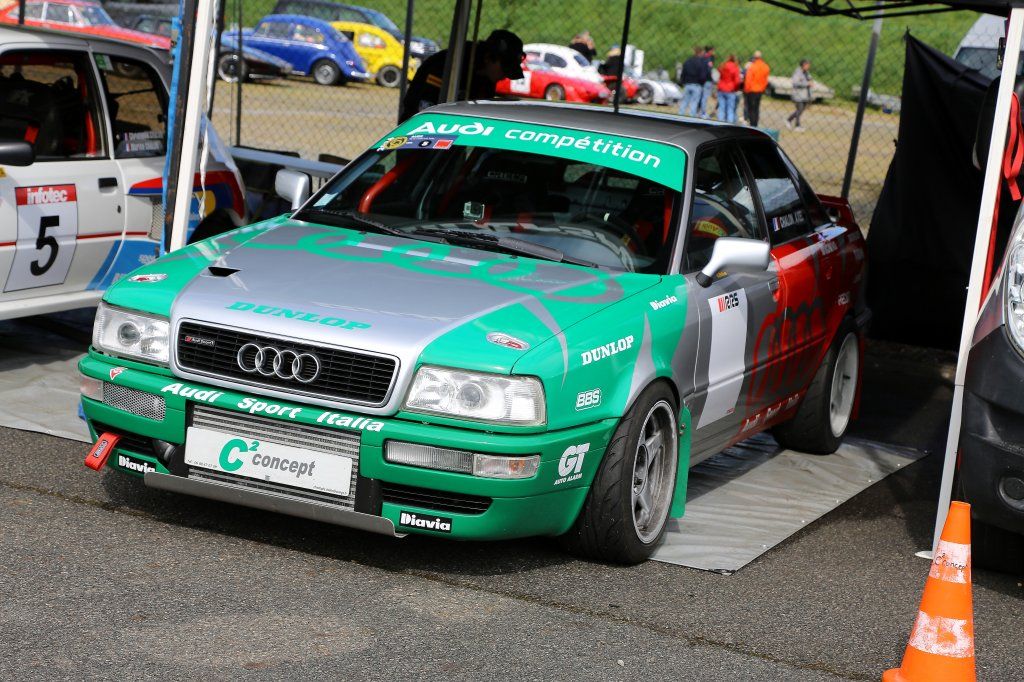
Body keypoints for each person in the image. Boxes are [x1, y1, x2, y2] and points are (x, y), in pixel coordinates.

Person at [399, 29, 524, 123]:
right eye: (504, 69)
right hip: (416, 129)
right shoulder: (449, 65)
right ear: (488, 58)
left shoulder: (486, 78)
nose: (505, 77)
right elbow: (424, 109)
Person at [677, 46, 708, 118]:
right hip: (697, 85)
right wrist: (702, 83)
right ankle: (691, 117)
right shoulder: (701, 62)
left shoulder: (688, 61)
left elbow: (683, 73)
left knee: (684, 102)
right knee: (694, 103)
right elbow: (703, 75)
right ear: (700, 53)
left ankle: (680, 116)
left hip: (687, 84)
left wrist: (682, 81)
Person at [742, 50, 770, 127]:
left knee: (751, 109)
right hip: (760, 91)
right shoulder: (765, 67)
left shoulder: (752, 67)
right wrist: (763, 89)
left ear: (754, 57)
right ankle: (755, 124)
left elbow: (748, 80)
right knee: (757, 108)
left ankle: (752, 124)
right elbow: (765, 80)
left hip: (751, 90)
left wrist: (746, 90)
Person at [786, 59, 813, 131]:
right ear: (803, 65)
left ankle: (788, 120)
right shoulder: (797, 73)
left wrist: (810, 82)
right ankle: (797, 126)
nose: (808, 66)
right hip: (798, 94)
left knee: (801, 110)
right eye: (807, 65)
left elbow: (810, 80)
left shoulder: (807, 73)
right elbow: (795, 83)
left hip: (805, 95)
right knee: (800, 109)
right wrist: (807, 84)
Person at [716, 54, 741, 123]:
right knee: (730, 109)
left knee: (721, 108)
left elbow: (718, 70)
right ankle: (729, 124)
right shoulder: (735, 67)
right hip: (730, 90)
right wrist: (736, 89)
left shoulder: (723, 65)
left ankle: (719, 123)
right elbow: (737, 81)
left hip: (721, 89)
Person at [699, 45, 716, 119]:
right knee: (705, 97)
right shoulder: (708, 58)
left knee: (701, 96)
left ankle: (700, 112)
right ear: (710, 51)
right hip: (707, 80)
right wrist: (712, 79)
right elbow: (709, 70)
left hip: (700, 80)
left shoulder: (701, 57)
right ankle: (703, 113)